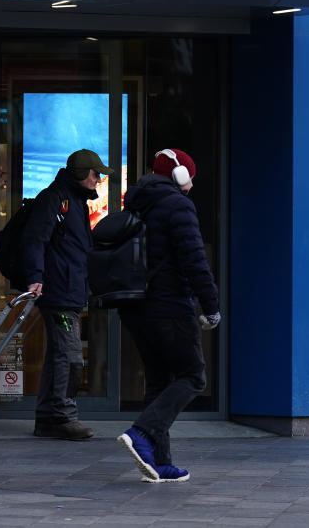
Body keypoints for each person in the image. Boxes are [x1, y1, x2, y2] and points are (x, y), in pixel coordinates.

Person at [116, 148, 220, 484]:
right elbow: (194, 260)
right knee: (193, 376)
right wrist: (212, 305)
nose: (191, 184)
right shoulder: (178, 206)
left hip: (135, 307)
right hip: (170, 305)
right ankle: (142, 433)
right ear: (179, 177)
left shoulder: (135, 203)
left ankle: (159, 463)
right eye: (189, 176)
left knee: (160, 381)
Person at [21, 148, 113, 440]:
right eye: (95, 173)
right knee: (70, 357)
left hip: (69, 290)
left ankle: (49, 418)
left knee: (59, 356)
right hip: (57, 293)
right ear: (81, 174)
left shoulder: (76, 203)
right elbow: (35, 240)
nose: (98, 179)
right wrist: (35, 277)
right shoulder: (55, 200)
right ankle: (61, 417)